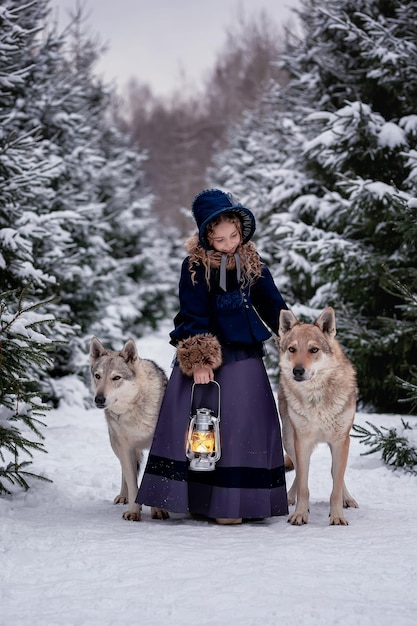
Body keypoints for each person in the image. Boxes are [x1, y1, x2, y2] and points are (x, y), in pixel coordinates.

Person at [136, 189, 289, 524]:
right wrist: (199, 362)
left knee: (244, 421)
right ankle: (202, 500)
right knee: (203, 422)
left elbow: (272, 304)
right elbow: (193, 315)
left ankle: (240, 503)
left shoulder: (253, 263)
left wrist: (294, 335)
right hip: (207, 355)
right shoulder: (194, 267)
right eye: (220, 240)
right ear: (206, 237)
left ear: (241, 231)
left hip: (245, 354)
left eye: (233, 236)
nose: (229, 244)